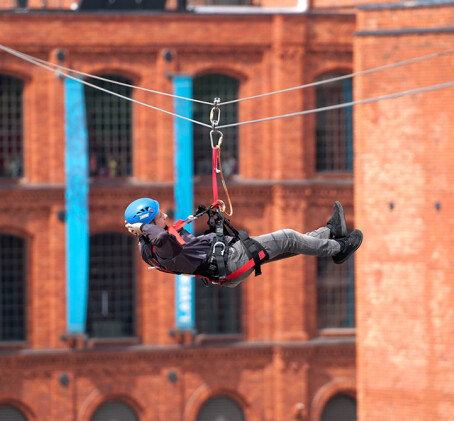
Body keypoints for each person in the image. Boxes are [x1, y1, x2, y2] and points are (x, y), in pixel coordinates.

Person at [124, 198, 363, 288]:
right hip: (231, 259)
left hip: (225, 261)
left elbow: (182, 242)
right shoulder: (159, 247)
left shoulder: (151, 245)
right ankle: (340, 248)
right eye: (159, 215)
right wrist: (145, 226)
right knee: (287, 236)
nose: (164, 216)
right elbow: (165, 239)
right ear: (148, 223)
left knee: (288, 244)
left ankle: (330, 232)